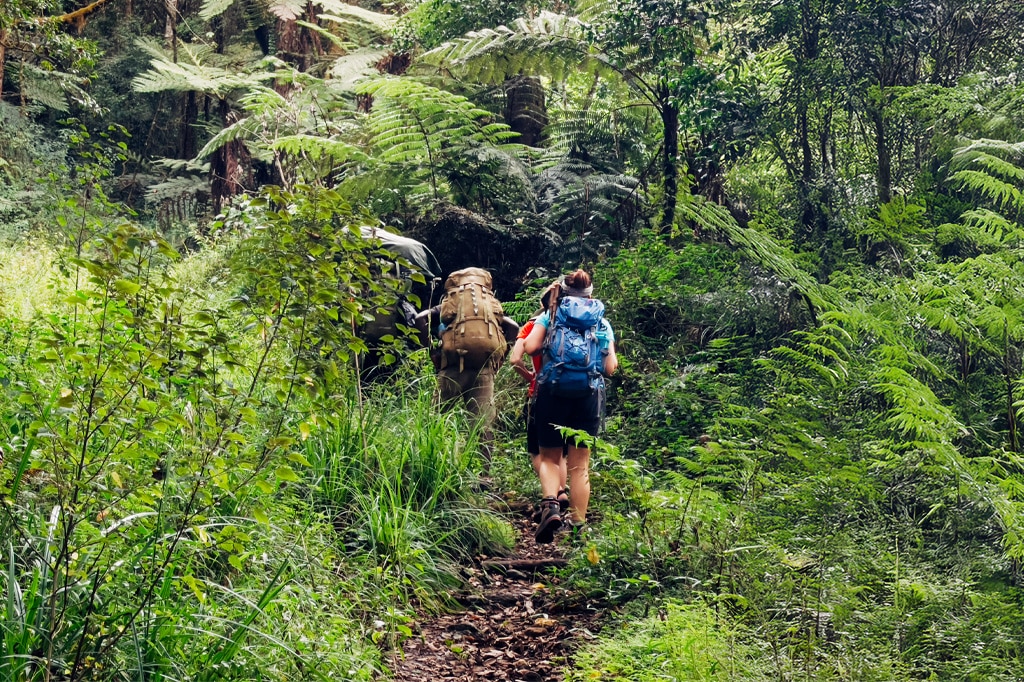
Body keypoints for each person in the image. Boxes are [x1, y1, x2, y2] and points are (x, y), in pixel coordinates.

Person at [523, 269, 617, 543]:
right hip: (588, 396)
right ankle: (577, 525)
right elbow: (610, 367)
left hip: (553, 392)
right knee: (580, 465)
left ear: (564, 291)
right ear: (590, 294)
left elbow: (529, 347)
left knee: (551, 458)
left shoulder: (551, 315)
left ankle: (551, 505)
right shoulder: (601, 322)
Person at [414, 268, 519, 469]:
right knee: (482, 424)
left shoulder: (448, 304)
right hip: (483, 370)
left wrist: (432, 351)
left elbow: (420, 318)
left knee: (437, 417)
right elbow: (514, 327)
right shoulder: (489, 306)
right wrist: (500, 357)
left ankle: (430, 466)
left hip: (452, 367)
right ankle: (484, 476)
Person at [509, 283, 569, 517]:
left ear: (542, 304)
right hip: (572, 394)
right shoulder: (573, 324)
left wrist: (529, 377)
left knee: (538, 451)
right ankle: (562, 492)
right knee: (560, 452)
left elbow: (515, 359)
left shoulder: (533, 326)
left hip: (540, 393)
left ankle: (552, 494)